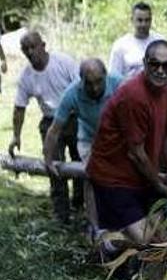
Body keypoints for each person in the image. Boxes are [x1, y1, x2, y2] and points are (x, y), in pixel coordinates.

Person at [86, 40, 167, 247]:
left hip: (139, 175)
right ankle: (105, 242)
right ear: (144, 63)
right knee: (148, 240)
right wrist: (158, 184)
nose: (160, 70)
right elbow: (136, 153)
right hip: (113, 177)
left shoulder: (165, 92)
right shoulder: (134, 96)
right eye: (154, 64)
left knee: (164, 238)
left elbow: (166, 135)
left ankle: (114, 234)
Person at [10, 30, 82, 223]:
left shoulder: (64, 62)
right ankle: (61, 214)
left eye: (34, 47)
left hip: (74, 117)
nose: (31, 52)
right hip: (50, 122)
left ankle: (80, 204)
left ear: (43, 45)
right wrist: (16, 136)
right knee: (53, 166)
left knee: (81, 161)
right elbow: (19, 108)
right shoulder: (26, 76)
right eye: (26, 49)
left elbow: (81, 89)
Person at [43, 58, 122, 232]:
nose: (95, 88)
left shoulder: (119, 83)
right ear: (81, 80)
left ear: (105, 76)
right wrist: (48, 160)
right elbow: (54, 129)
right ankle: (95, 227)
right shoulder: (72, 93)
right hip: (89, 139)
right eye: (89, 83)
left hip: (117, 137)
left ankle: (121, 219)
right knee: (91, 176)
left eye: (99, 82)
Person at [108, 2, 166, 79]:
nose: (143, 24)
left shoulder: (161, 42)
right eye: (140, 20)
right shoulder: (120, 46)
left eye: (147, 20)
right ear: (132, 20)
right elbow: (113, 78)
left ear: (151, 20)